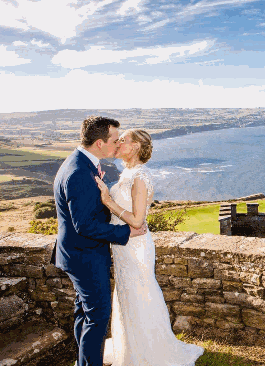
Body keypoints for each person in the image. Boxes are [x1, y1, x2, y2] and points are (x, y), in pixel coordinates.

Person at [94, 129, 204, 366]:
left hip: (135, 247)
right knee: (126, 294)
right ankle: (130, 347)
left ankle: (150, 352)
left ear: (134, 147)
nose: (118, 142)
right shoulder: (128, 172)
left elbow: (137, 221)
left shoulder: (140, 177)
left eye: (123, 140)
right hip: (122, 246)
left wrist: (108, 200)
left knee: (140, 294)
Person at [52, 116, 147, 366]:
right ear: (99, 143)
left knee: (84, 313)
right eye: (115, 140)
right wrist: (125, 233)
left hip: (77, 253)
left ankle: (84, 360)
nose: (118, 144)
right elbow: (84, 226)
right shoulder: (79, 172)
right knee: (97, 317)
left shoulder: (82, 163)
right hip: (85, 255)